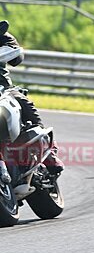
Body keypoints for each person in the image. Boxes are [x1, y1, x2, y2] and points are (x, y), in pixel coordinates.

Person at [0, 20, 64, 174]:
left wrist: (11, 50)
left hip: (2, 88)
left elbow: (16, 57)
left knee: (22, 102)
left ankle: (50, 155)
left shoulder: (2, 36)